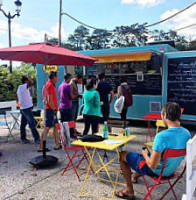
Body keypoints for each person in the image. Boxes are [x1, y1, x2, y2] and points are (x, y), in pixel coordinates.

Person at [115, 102, 191, 200]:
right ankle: (134, 176)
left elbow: (152, 165)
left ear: (165, 115)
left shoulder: (161, 136)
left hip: (158, 171)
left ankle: (129, 190)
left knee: (123, 155)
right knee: (147, 157)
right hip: (171, 169)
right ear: (179, 115)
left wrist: (145, 155)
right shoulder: (186, 133)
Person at [38, 71, 61, 152]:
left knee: (55, 126)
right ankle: (40, 147)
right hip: (50, 109)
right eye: (57, 76)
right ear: (53, 77)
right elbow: (49, 100)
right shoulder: (50, 85)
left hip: (50, 109)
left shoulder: (48, 85)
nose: (58, 78)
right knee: (47, 128)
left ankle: (57, 144)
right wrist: (54, 109)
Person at [17, 75, 40, 144]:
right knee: (31, 123)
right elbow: (32, 82)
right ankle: (37, 138)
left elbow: (16, 95)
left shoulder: (20, 87)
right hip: (26, 108)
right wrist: (29, 78)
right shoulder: (23, 86)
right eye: (28, 79)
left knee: (23, 124)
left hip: (23, 108)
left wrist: (21, 101)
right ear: (26, 81)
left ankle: (23, 138)